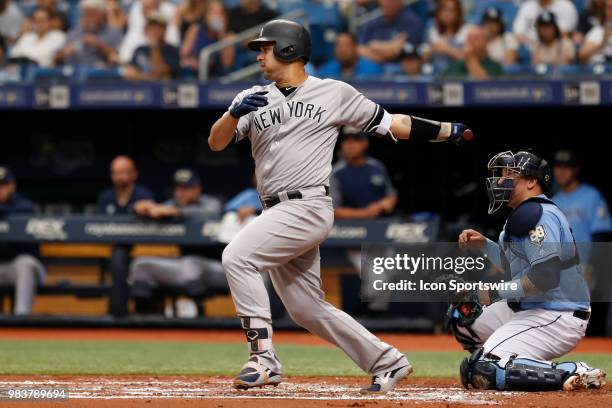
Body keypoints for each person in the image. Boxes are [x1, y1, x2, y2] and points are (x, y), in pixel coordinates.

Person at [208, 19, 473, 393]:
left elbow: (391, 123)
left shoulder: (333, 92)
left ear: (288, 49)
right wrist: (232, 113)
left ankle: (263, 360)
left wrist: (446, 130)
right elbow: (216, 143)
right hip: (274, 210)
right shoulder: (254, 98)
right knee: (305, 308)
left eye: (266, 48)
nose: (260, 56)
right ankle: (387, 361)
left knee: (237, 256)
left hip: (308, 204)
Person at [450, 150, 606, 392]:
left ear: (532, 181)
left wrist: (492, 293)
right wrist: (485, 246)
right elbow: (516, 268)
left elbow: (544, 277)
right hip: (531, 308)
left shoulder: (538, 214)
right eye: (500, 175)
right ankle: (512, 359)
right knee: (463, 313)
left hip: (557, 313)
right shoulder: (524, 214)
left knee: (485, 369)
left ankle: (574, 371)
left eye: (508, 175)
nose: (500, 181)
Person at [129, 168, 227, 313]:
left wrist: (178, 212)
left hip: (220, 269)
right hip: (186, 269)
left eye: (186, 188)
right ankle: (143, 321)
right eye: (178, 188)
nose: (181, 192)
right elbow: (157, 209)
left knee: (192, 263)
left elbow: (213, 212)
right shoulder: (173, 204)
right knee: (141, 265)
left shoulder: (210, 203)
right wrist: (140, 209)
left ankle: (199, 315)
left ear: (197, 189)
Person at [551, 149, 611, 272]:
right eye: (558, 166)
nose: (561, 172)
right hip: (559, 272)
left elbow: (601, 236)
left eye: (566, 167)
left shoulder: (592, 195)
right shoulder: (552, 202)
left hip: (585, 268)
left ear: (576, 170)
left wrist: (592, 267)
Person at [0, 166, 46, 315]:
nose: (0, 189)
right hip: (2, 267)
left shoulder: (24, 205)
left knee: (25, 263)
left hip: (24, 267)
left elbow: (23, 211)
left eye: (3, 185)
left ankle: (21, 319)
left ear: (12, 185)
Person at [55, 0, 123, 68]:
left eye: (93, 14)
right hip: (75, 73)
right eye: (86, 14)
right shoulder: (74, 32)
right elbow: (57, 58)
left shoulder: (113, 33)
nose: (89, 18)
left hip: (102, 75)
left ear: (102, 14)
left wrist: (98, 45)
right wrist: (65, 52)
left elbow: (118, 59)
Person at [358, 0, 423, 64]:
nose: (388, 3)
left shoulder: (411, 21)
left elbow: (397, 51)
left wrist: (374, 45)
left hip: (400, 66)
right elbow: (360, 49)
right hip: (374, 66)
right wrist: (389, 47)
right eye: (385, 0)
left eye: (392, 0)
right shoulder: (372, 23)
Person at [180, 0, 234, 76]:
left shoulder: (229, 36)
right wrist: (193, 63)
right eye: (214, 13)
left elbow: (227, 64)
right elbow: (183, 55)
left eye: (221, 13)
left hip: (216, 78)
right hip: (194, 74)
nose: (217, 17)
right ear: (206, 16)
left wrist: (222, 34)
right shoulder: (195, 29)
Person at [122, 12, 180, 80]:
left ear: (165, 30)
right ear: (146, 29)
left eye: (158, 27)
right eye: (151, 27)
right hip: (140, 89)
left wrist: (154, 47)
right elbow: (129, 73)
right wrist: (147, 77)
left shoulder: (171, 50)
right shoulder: (140, 50)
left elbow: (161, 73)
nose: (154, 31)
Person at [424, 0, 472, 72]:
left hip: (460, 76)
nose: (447, 14)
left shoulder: (468, 31)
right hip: (436, 78)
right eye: (444, 10)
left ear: (458, 13)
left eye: (451, 10)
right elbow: (421, 60)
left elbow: (469, 60)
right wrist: (431, 51)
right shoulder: (432, 31)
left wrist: (448, 50)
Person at [513, 0, 578, 44]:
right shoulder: (527, 6)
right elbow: (518, 33)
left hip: (556, 46)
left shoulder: (565, 6)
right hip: (531, 46)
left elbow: (566, 33)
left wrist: (544, 44)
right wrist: (534, 44)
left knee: (566, 43)